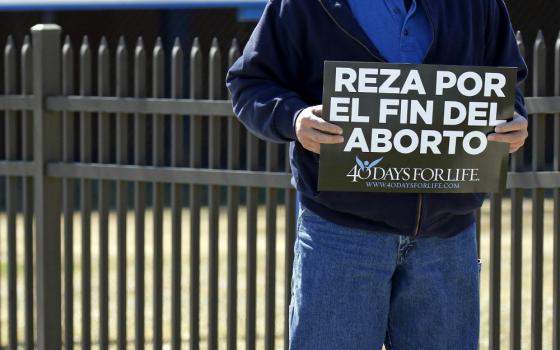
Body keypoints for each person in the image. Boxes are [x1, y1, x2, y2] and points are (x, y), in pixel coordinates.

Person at [226, 0, 528, 348]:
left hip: (448, 239)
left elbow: (505, 83)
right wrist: (294, 119)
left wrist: (512, 120)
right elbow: (250, 81)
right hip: (341, 235)